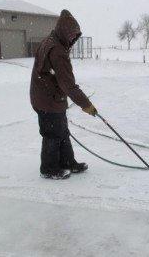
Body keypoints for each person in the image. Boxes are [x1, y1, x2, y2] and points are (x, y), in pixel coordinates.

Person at [30, 9, 96, 180]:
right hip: (47, 100)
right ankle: (49, 168)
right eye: (72, 35)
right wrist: (86, 104)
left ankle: (67, 162)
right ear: (65, 31)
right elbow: (68, 85)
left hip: (48, 97)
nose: (73, 39)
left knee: (62, 131)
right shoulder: (57, 50)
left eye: (76, 36)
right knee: (53, 134)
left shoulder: (49, 41)